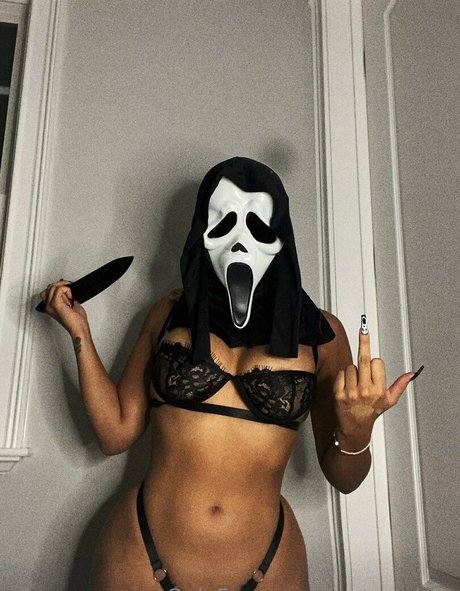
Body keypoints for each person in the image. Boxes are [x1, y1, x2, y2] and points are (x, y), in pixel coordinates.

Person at [40, 157, 421, 591]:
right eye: (222, 223)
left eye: (257, 225)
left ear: (281, 236)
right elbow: (115, 434)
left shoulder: (321, 334)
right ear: (200, 233)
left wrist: (358, 431)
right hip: (139, 554)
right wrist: (79, 333)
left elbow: (345, 480)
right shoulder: (167, 314)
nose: (239, 242)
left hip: (270, 566)